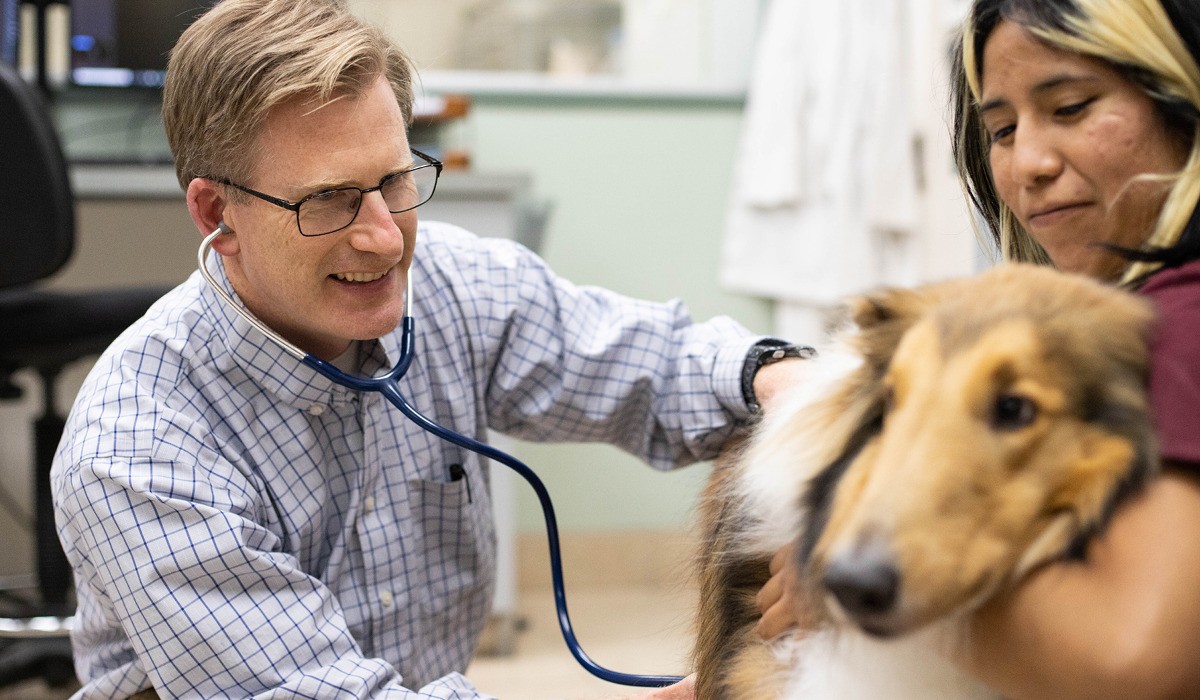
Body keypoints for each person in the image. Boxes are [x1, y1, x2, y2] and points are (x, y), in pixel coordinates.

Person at [49, 0, 806, 697]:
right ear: (219, 212)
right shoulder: (137, 451)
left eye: (396, 180)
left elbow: (660, 365)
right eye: (330, 199)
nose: (384, 236)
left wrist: (792, 390)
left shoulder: (453, 284)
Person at [754, 0, 1200, 697]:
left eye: (1073, 106)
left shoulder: (1178, 321)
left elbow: (1131, 659)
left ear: (1185, 101)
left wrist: (853, 584)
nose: (1028, 163)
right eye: (1001, 129)